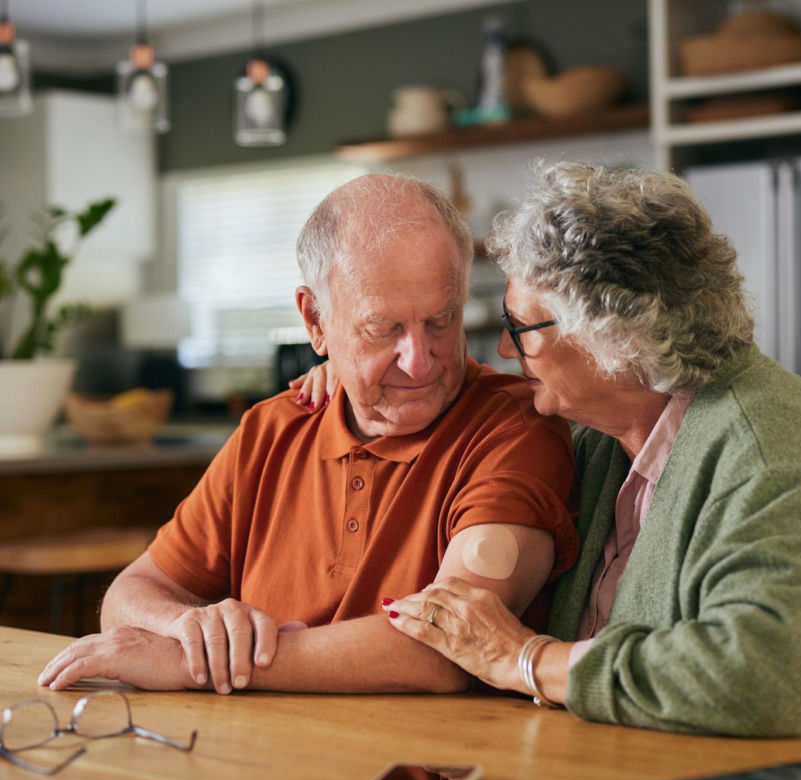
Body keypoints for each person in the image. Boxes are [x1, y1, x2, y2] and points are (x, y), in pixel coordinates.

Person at [292, 161, 801, 758]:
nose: (505, 352)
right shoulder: (599, 438)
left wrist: (530, 660)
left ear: (614, 334)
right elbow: (458, 404)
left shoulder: (775, 441)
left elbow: (755, 685)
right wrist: (348, 367)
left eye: (520, 330)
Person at [38, 173, 578, 696]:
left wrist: (197, 663)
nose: (420, 362)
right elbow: (132, 595)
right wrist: (191, 629)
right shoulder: (272, 429)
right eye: (383, 328)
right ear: (314, 320)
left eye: (441, 320)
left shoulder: (517, 427)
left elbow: (450, 646)